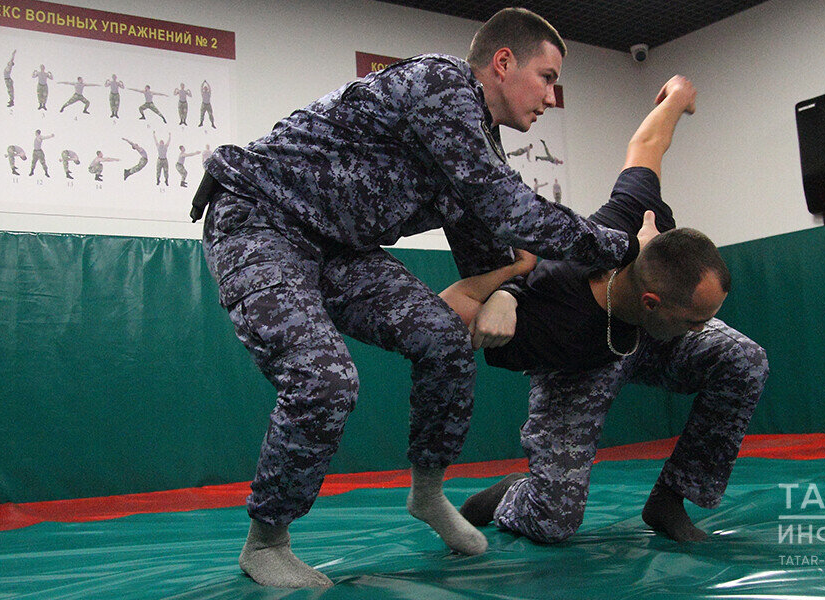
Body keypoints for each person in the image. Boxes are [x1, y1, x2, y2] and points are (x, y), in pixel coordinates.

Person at [194, 7, 644, 589]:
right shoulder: (440, 84)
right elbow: (514, 212)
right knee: (323, 380)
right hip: (259, 219)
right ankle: (268, 539)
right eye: (549, 77)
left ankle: (427, 494)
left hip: (339, 250)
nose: (551, 98)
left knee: (443, 340)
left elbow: (489, 250)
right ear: (502, 63)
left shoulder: (478, 146)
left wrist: (505, 291)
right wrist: (618, 243)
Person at [443, 76, 768, 544]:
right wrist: (496, 299)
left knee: (744, 359)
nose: (703, 328)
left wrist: (676, 97)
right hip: (576, 366)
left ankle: (669, 500)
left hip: (644, 337)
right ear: (654, 301)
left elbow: (647, 143)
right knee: (552, 523)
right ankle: (515, 494)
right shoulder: (552, 311)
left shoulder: (637, 214)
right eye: (695, 319)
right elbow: (454, 309)